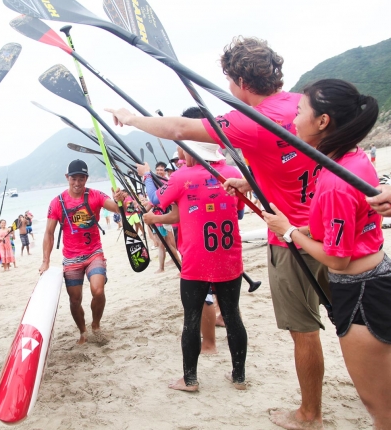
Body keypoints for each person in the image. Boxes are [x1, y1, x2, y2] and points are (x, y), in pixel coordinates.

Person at [107, 37, 329, 429]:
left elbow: (177, 127)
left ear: (240, 81)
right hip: (332, 226)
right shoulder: (307, 106)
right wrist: (249, 181)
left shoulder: (249, 120)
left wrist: (130, 117)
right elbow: (296, 160)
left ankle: (309, 414)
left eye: (229, 81)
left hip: (291, 239)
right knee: (348, 323)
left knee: (304, 330)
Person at [264, 79, 391, 429]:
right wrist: (305, 228)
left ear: (323, 121)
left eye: (300, 112)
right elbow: (349, 221)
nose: (294, 121)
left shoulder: (336, 178)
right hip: (376, 277)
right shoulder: (353, 158)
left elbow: (337, 258)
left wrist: (288, 231)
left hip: (361, 291)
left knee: (381, 410)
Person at [141, 141, 248, 392]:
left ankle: (190, 380)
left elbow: (156, 198)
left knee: (191, 318)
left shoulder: (181, 176)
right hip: (229, 258)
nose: (180, 154)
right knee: (232, 315)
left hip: (196, 261)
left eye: (182, 149)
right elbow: (239, 213)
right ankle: (239, 376)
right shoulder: (232, 174)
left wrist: (147, 175)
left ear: (190, 150)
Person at [40, 159, 123, 345]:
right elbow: (48, 233)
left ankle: (96, 325)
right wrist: (45, 261)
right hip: (71, 258)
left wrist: (120, 200)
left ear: (87, 178)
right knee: (75, 299)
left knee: (98, 290)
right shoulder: (57, 203)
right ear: (67, 177)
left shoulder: (94, 195)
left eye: (82, 179)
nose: (77, 183)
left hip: (94, 252)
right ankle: (83, 331)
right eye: (73, 179)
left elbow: (117, 208)